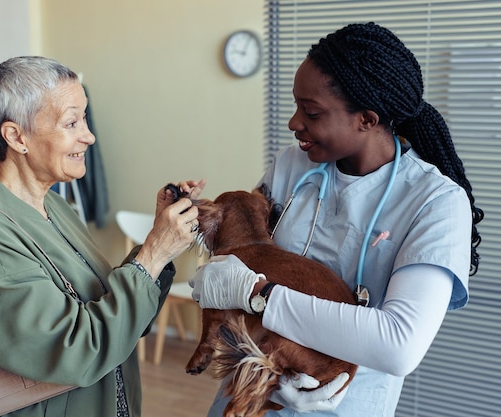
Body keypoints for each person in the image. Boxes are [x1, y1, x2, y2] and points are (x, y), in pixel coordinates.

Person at [189, 22, 484, 416]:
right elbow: (246, 249)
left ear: (366, 118)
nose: (294, 123)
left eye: (310, 112)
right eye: (296, 107)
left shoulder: (436, 202)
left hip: (343, 405)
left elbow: (398, 345)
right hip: (248, 395)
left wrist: (258, 295)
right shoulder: (292, 165)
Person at [0, 56, 206, 417]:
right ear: (17, 136)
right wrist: (153, 255)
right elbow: (77, 349)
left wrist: (159, 243)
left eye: (85, 119)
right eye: (71, 122)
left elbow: (112, 311)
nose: (88, 136)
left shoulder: (55, 207)